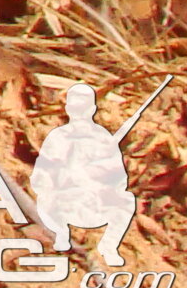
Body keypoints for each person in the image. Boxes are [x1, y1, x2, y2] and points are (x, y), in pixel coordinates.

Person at [32, 83, 140, 265]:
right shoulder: (58, 137)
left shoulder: (103, 138)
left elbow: (119, 179)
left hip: (93, 202)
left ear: (92, 109)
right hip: (62, 201)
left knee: (126, 201)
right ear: (68, 108)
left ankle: (108, 247)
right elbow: (40, 175)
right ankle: (60, 238)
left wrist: (97, 178)